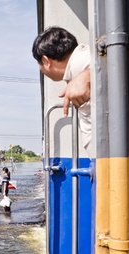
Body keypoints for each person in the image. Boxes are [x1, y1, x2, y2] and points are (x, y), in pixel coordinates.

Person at [32, 26, 93, 157]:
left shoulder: (80, 63)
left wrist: (89, 74)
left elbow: (115, 61)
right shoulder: (76, 67)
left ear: (46, 61)